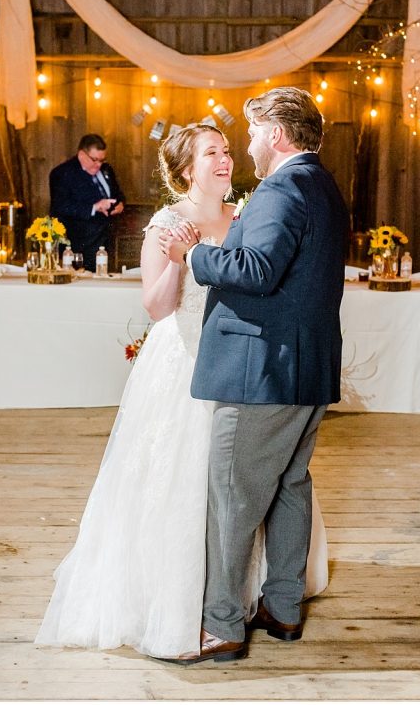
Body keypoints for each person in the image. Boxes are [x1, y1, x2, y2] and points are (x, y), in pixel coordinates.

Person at [36, 124, 329, 658]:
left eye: (225, 151)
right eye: (210, 154)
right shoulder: (168, 223)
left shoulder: (245, 214)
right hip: (185, 359)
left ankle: (245, 596)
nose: (224, 160)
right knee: (190, 480)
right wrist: (178, 261)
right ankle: (182, 595)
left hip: (241, 361)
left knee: (243, 482)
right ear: (186, 171)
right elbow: (156, 306)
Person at [157, 88, 349, 664]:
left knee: (233, 499)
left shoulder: (282, 188)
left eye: (251, 132)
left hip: (262, 372)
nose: (246, 145)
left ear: (276, 134)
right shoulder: (322, 185)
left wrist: (192, 256)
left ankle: (222, 627)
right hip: (306, 367)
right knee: (290, 487)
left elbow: (258, 270)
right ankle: (283, 606)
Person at [48, 133, 125, 264]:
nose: (99, 165)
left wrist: (121, 204)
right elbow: (60, 206)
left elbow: (117, 193)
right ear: (82, 154)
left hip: (107, 241)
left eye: (102, 160)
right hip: (80, 244)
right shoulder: (62, 173)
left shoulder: (106, 169)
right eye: (94, 160)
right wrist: (94, 207)